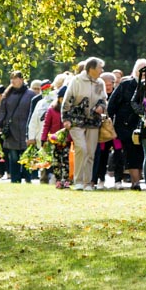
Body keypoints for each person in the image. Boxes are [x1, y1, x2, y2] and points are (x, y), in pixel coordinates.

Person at [60, 58, 107, 191]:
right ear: (91, 69)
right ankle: (78, 180)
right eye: (99, 68)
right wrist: (66, 119)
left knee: (91, 152)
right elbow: (67, 100)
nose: (101, 71)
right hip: (76, 120)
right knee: (81, 148)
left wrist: (101, 108)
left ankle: (87, 182)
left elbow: (104, 100)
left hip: (93, 121)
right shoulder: (76, 81)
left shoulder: (100, 82)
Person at [107, 60, 146, 191]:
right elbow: (112, 105)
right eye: (141, 69)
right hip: (125, 126)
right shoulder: (126, 85)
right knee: (131, 153)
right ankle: (135, 182)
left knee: (141, 153)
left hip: (145, 125)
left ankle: (137, 180)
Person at [0, 71, 35, 183]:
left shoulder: (30, 94)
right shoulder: (7, 94)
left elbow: (34, 113)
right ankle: (15, 179)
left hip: (26, 130)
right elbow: (2, 111)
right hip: (11, 130)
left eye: (16, 78)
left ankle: (28, 178)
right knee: (13, 157)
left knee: (26, 155)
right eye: (11, 78)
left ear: (21, 79)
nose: (13, 81)